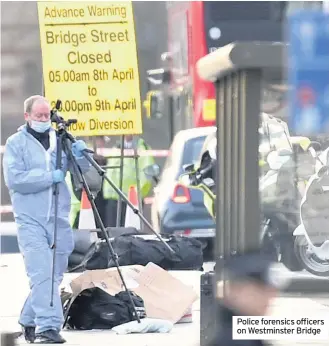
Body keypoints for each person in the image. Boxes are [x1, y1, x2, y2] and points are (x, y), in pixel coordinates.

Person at [2, 95, 91, 344]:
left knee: (55, 274)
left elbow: (78, 173)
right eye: (38, 116)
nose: (43, 120)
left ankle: (28, 318)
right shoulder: (16, 143)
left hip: (59, 217)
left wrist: (79, 155)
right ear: (27, 116)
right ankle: (48, 327)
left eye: (46, 115)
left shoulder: (58, 140)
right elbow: (15, 179)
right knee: (42, 273)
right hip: (30, 219)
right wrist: (47, 176)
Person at [102, 134, 155, 227]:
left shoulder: (143, 149)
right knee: (112, 233)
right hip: (113, 198)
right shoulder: (116, 148)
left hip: (132, 200)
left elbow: (147, 175)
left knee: (131, 232)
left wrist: (137, 194)